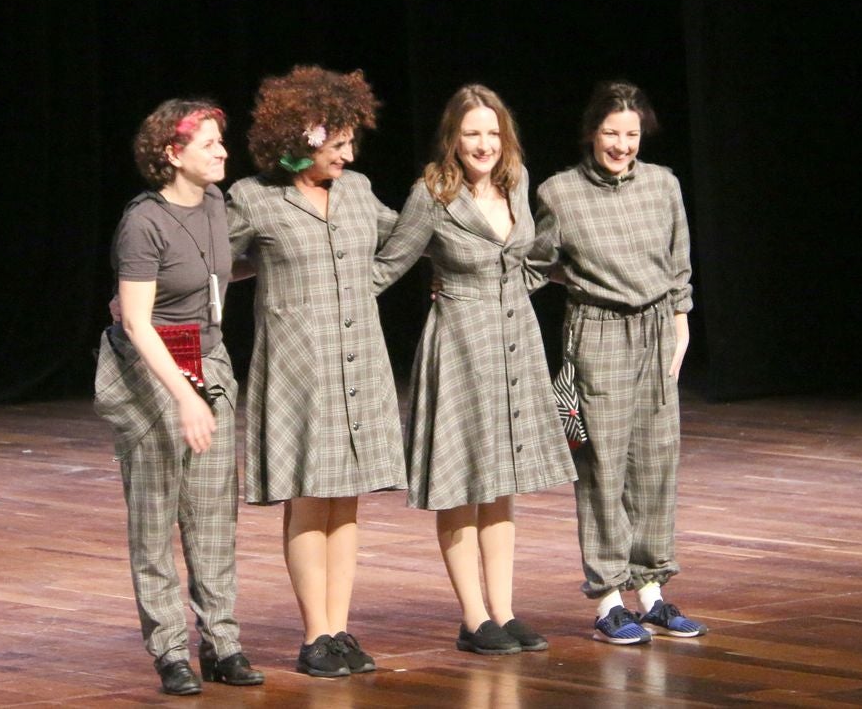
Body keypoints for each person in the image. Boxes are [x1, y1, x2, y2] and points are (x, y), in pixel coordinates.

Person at [372, 85, 576, 655]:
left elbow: (532, 261)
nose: (483, 144)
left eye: (491, 133)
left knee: (502, 484)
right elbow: (389, 266)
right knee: (462, 483)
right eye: (471, 134)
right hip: (461, 346)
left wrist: (513, 289)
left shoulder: (518, 183)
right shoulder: (431, 195)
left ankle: (505, 611)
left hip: (516, 343)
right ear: (453, 140)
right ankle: (473, 616)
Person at [226, 66, 406, 678]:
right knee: (308, 498)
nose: (348, 155)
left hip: (359, 360)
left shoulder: (356, 191)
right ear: (306, 135)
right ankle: (315, 634)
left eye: (351, 144)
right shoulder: (254, 198)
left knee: (345, 500)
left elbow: (404, 236)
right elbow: (215, 261)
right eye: (339, 145)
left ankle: (341, 627)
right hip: (299, 366)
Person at [93, 99, 264, 695]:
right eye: (210, 143)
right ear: (173, 154)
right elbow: (138, 323)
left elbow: (216, 275)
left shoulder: (215, 202)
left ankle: (223, 643)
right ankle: (169, 651)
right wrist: (186, 398)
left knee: (213, 512)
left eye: (222, 141)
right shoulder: (144, 222)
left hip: (205, 357)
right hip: (152, 365)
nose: (223, 151)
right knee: (155, 514)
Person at [528, 80, 707, 646]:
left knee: (656, 459)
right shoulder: (559, 193)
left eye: (631, 134)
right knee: (602, 465)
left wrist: (681, 322)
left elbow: (679, 263)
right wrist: (575, 278)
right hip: (598, 333)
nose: (622, 144)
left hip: (657, 332)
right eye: (611, 133)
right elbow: (535, 264)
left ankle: (651, 592)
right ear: (591, 133)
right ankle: (608, 598)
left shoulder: (663, 185)